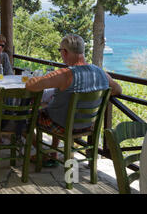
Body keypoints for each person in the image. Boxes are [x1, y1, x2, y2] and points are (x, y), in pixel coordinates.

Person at [25, 34, 122, 166]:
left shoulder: (64, 74)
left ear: (65, 52)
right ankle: (53, 152)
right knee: (55, 106)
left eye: (60, 51)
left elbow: (31, 85)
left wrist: (33, 77)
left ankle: (42, 153)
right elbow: (118, 90)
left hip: (62, 126)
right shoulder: (100, 73)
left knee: (25, 117)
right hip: (87, 126)